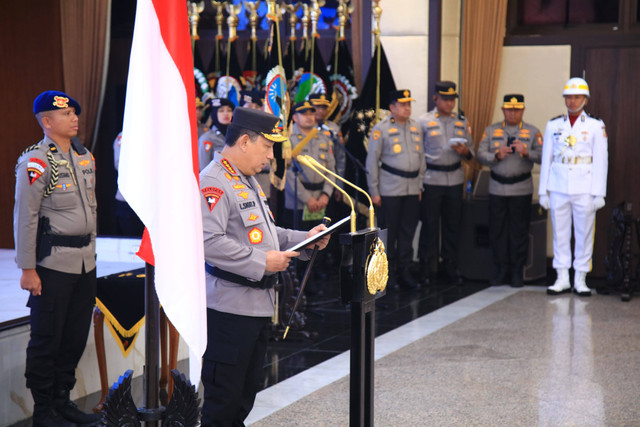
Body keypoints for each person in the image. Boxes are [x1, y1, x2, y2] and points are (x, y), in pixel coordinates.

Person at [199, 107, 330, 426]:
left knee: (245, 395)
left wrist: (305, 238)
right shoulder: (213, 182)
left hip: (256, 306)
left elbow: (267, 234)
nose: (271, 156)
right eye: (267, 146)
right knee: (223, 400)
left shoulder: (246, 180)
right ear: (244, 141)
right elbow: (208, 241)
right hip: (229, 309)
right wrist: (262, 261)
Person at [13, 91, 101, 426]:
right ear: (47, 122)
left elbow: (91, 209)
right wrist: (28, 269)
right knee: (47, 337)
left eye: (75, 113)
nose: (74, 118)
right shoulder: (37, 161)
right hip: (52, 265)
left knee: (75, 335)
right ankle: (44, 409)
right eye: (65, 115)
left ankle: (63, 400)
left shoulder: (83, 156)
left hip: (84, 263)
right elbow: (26, 216)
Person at [539, 77, 608, 296]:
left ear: (585, 100)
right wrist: (543, 191)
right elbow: (547, 158)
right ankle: (561, 277)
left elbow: (601, 160)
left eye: (577, 97)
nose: (572, 101)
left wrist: (599, 193)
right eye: (568, 97)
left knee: (584, 233)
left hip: (585, 187)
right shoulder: (554, 125)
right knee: (560, 233)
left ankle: (580, 278)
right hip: (558, 185)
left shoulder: (596, 126)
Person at [477, 94, 543, 287]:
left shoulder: (532, 132)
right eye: (509, 109)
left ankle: (516, 271)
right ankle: (500, 270)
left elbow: (543, 156)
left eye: (517, 109)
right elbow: (480, 154)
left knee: (519, 231)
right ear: (503, 110)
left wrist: (526, 152)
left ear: (522, 110)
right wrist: (496, 155)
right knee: (497, 231)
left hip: (521, 189)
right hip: (497, 188)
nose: (513, 113)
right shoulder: (491, 130)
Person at [366, 89, 424, 290]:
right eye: (403, 104)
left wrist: (420, 185)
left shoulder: (415, 127)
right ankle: (386, 276)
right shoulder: (381, 129)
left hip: (412, 188)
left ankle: (405, 272)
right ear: (392, 107)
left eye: (409, 104)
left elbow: (421, 159)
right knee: (388, 235)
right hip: (390, 188)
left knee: (407, 233)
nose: (408, 108)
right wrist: (374, 190)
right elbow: (372, 162)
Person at [418, 81, 474, 286]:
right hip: (432, 179)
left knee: (452, 225)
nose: (450, 103)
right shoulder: (423, 121)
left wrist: (465, 152)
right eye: (446, 99)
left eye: (453, 100)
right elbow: (418, 154)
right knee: (430, 225)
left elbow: (471, 152)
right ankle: (426, 267)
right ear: (436, 99)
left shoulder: (461, 121)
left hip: (455, 179)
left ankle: (449, 266)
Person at [282, 100, 336, 231]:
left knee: (320, 244)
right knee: (299, 244)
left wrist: (326, 194)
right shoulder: (288, 139)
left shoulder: (323, 138)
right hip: (297, 202)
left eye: (311, 113)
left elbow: (331, 170)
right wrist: (307, 198)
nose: (309, 117)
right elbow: (287, 172)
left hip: (321, 201)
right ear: (294, 117)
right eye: (304, 114)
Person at [113, 132, 144, 236]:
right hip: (127, 200)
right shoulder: (125, 135)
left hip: (150, 200)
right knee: (130, 240)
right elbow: (120, 165)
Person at [198, 97, 234, 171]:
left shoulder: (237, 136)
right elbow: (204, 169)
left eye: (229, 110)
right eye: (221, 111)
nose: (226, 114)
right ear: (214, 114)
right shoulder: (207, 138)